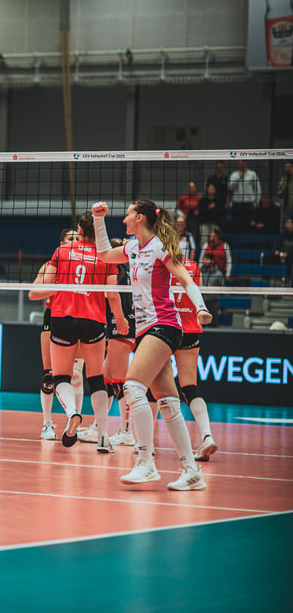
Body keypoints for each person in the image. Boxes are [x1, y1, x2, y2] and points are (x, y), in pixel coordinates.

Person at [93, 198, 211, 490]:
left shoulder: (160, 247)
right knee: (168, 403)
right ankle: (192, 472)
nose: (124, 219)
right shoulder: (132, 248)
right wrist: (98, 219)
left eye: (128, 214)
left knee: (133, 387)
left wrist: (200, 306)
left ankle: (145, 462)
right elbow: (104, 254)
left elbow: (185, 279)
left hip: (165, 325)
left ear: (141, 218)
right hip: (146, 329)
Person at [30, 213, 124, 451]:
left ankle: (72, 412)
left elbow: (44, 289)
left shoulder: (62, 251)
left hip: (62, 318)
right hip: (93, 320)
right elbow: (112, 295)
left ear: (80, 229)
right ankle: (103, 437)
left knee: (61, 376)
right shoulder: (106, 256)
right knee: (96, 378)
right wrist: (121, 320)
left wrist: (64, 287)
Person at [28, 228, 79, 440]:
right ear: (61, 243)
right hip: (53, 317)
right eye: (70, 238)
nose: (74, 241)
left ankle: (72, 420)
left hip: (79, 317)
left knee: (76, 376)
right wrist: (60, 288)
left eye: (77, 238)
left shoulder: (88, 263)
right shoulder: (50, 265)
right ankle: (47, 424)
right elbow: (33, 293)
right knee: (48, 376)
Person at [171, 256, 217, 461]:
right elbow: (196, 291)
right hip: (190, 329)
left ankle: (145, 445)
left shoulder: (159, 261)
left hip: (167, 327)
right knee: (189, 387)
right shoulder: (193, 265)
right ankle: (207, 435)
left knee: (153, 386)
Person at [102, 238, 138, 449]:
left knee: (120, 382)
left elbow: (112, 296)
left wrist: (120, 319)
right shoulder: (127, 270)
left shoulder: (117, 271)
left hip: (121, 327)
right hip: (121, 325)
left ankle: (126, 432)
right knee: (107, 379)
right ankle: (99, 425)